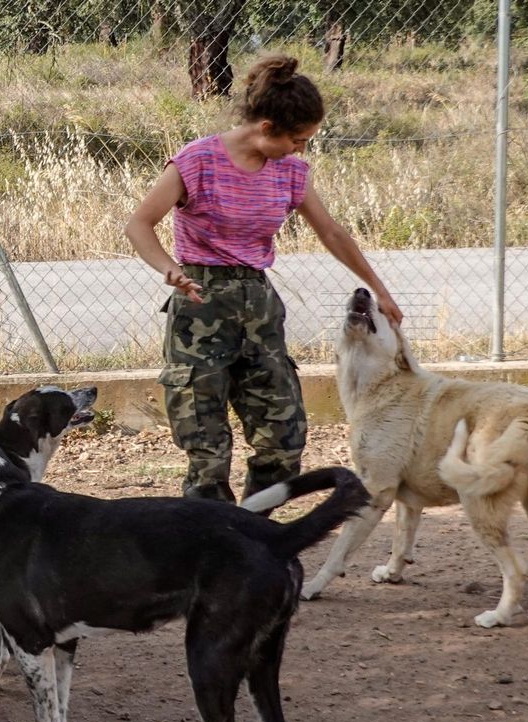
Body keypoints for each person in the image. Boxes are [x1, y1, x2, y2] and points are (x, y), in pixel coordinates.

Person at [124, 53, 403, 503]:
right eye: (297, 139)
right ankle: (211, 552)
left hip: (259, 306)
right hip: (200, 306)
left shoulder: (290, 170)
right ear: (266, 128)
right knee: (207, 451)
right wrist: (168, 269)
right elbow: (140, 223)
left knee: (283, 438)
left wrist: (382, 292)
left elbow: (331, 231)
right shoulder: (198, 160)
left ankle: (256, 539)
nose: (301, 149)